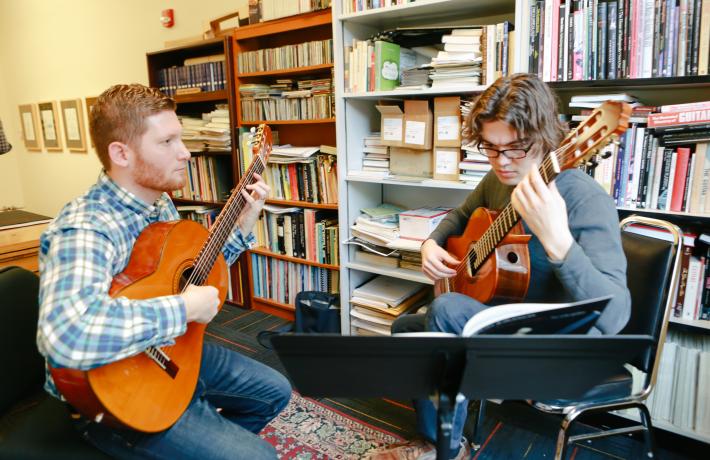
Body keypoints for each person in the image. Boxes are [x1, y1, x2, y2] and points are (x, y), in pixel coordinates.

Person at [366, 73, 631, 460]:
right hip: (504, 321)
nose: (502, 162)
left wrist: (559, 241)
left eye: (516, 148)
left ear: (545, 136)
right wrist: (431, 243)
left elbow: (614, 317)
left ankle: (446, 451)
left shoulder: (584, 199)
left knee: (445, 308)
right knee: (407, 327)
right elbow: (459, 216)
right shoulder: (498, 179)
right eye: (491, 148)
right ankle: (431, 442)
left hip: (557, 346)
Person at [36, 84, 290, 460]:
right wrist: (183, 309)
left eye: (181, 139)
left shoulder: (160, 205)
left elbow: (193, 279)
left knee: (275, 391)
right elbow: (67, 338)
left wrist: (243, 228)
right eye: (167, 141)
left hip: (170, 352)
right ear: (121, 153)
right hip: (115, 395)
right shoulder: (87, 226)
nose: (185, 153)